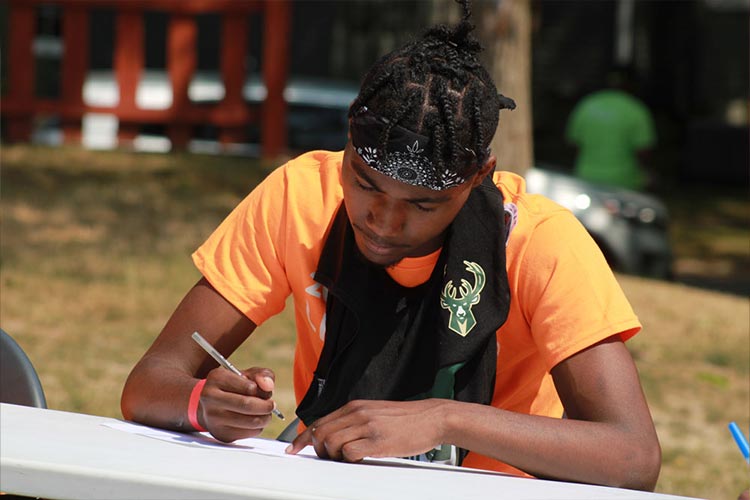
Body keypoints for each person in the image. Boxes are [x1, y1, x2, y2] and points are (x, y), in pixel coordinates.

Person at [121, 0, 661, 490]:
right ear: (348, 146)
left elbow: (633, 456)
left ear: (480, 177)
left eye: (423, 205)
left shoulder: (539, 242)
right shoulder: (297, 198)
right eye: (363, 183)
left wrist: (444, 418)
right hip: (322, 477)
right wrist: (202, 404)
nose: (383, 220)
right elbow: (148, 385)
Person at [565, 65, 657, 191]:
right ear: (630, 84)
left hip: (587, 176)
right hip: (625, 180)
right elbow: (643, 150)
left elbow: (573, 143)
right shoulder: (635, 109)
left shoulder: (586, 105)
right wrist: (648, 174)